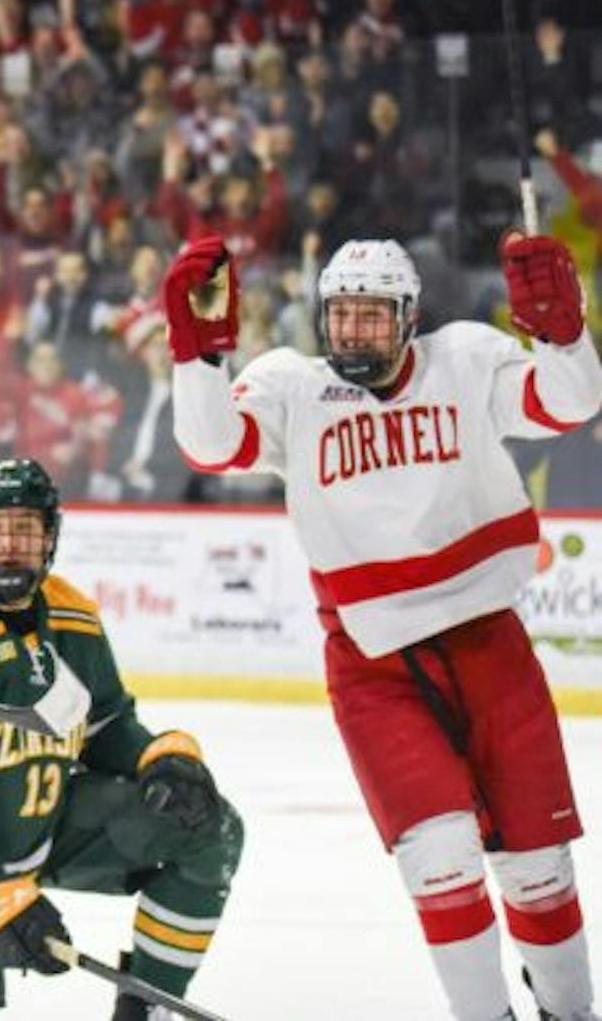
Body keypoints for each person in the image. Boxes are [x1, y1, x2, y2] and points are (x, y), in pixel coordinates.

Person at [167, 234, 602, 1021]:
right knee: (438, 860)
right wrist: (196, 353)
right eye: (342, 317)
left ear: (409, 317)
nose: (355, 333)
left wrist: (565, 335)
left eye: (373, 316)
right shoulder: (292, 389)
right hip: (372, 663)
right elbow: (209, 444)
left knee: (539, 866)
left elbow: (569, 404)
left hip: (486, 638)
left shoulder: (464, 360)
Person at [0, 458, 242, 1021]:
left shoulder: (73, 617)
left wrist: (158, 756)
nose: (8, 545)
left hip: (44, 830)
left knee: (206, 827)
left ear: (50, 536)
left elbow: (104, 725)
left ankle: (148, 1009)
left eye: (24, 528)